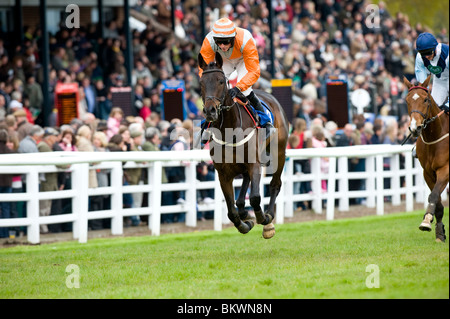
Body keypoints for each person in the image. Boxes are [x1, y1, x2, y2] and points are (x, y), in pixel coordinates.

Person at [199, 17, 274, 137]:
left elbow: (254, 71)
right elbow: (204, 71)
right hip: (224, 60)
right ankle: (208, 124)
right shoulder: (208, 41)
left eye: (226, 41)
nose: (222, 45)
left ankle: (266, 122)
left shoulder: (245, 39)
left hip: (243, 60)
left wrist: (238, 88)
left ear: (233, 38)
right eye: (219, 42)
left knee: (245, 90)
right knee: (216, 89)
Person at [414, 32, 449, 114]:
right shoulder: (420, 57)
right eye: (423, 53)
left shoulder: (447, 55)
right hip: (439, 80)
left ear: (435, 48)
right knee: (432, 110)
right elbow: (423, 83)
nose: (426, 56)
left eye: (429, 52)